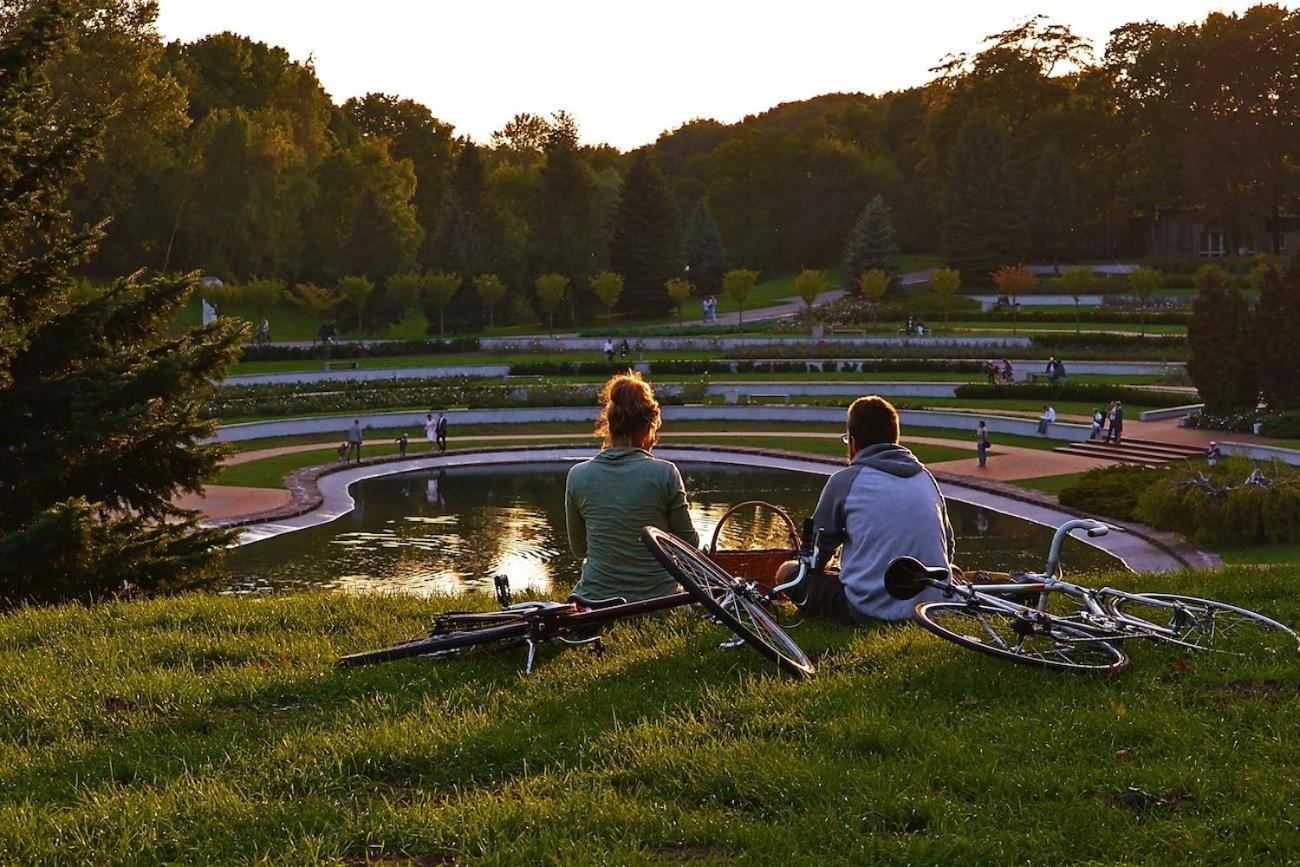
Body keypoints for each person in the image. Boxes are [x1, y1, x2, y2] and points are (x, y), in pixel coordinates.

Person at [773, 396, 953, 623]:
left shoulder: (845, 481)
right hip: (931, 607)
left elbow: (816, 558)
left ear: (854, 442)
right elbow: (948, 545)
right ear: (894, 439)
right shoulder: (926, 478)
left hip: (869, 611)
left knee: (787, 572)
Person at [565, 371, 698, 602]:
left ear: (610, 425)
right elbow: (689, 545)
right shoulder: (665, 473)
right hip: (659, 602)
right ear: (650, 427)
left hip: (595, 602)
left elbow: (579, 550)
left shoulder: (578, 476)